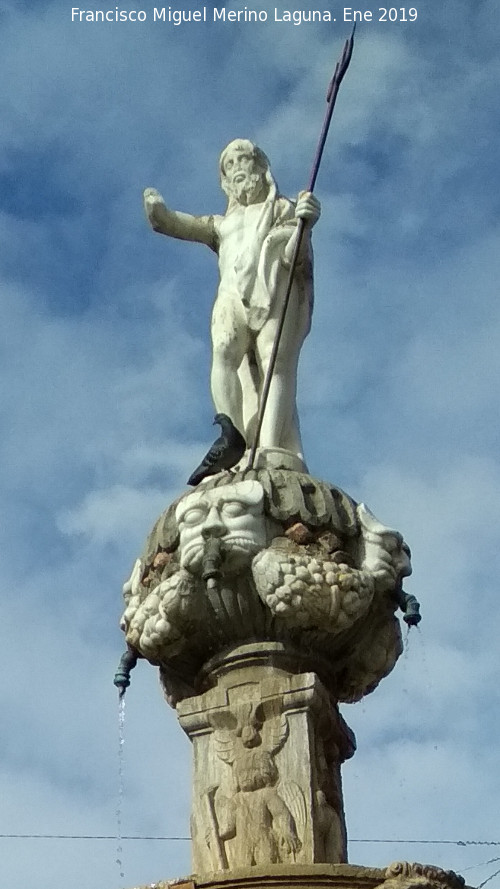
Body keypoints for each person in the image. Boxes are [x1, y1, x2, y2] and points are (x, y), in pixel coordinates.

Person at [143, 138, 320, 458]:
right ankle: (229, 431)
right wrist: (158, 212)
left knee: (274, 360)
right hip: (233, 295)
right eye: (229, 164)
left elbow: (296, 257)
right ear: (224, 180)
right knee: (224, 351)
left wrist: (304, 225)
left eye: (243, 160)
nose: (237, 168)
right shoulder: (221, 225)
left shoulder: (282, 208)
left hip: (273, 290)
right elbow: (177, 224)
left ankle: (269, 447)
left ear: (260, 167)